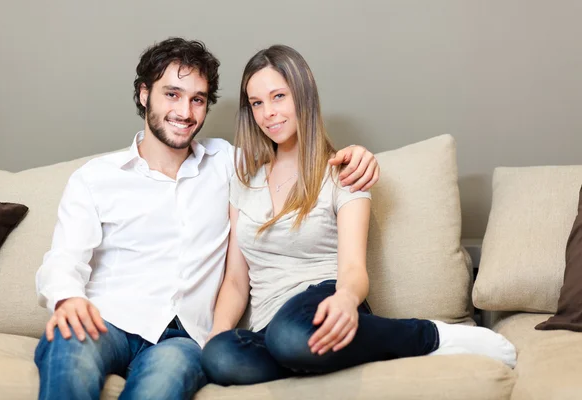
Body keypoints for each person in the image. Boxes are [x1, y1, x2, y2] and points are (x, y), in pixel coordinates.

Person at [33, 38, 380, 400]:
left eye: (197, 99)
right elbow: (64, 259)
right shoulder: (96, 177)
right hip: (105, 321)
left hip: (183, 340)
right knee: (68, 356)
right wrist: (66, 298)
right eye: (171, 94)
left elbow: (294, 153)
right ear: (143, 94)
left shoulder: (232, 164)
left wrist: (358, 155)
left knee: (157, 391)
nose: (185, 111)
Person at [200, 44, 517, 386]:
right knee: (220, 358)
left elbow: (353, 268)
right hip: (268, 329)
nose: (268, 113)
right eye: (257, 103)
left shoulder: (342, 172)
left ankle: (427, 336)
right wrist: (217, 334)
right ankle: (308, 353)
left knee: (290, 335)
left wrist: (346, 299)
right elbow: (235, 280)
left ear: (303, 97)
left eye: (279, 96)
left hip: (324, 301)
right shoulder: (244, 182)